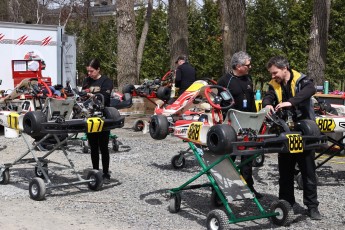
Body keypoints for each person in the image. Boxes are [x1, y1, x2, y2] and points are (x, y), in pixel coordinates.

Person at [262, 55, 321, 220]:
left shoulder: (302, 80)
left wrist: (291, 102)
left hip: (305, 132)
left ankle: (312, 207)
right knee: (285, 172)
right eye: (272, 74)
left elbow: (311, 90)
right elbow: (269, 95)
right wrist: (267, 103)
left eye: (275, 73)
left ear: (284, 68)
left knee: (308, 171)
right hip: (286, 132)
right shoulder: (275, 84)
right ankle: (286, 204)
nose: (273, 76)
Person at [217, 51, 262, 199]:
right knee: (230, 156)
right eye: (247, 65)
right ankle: (221, 189)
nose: (250, 67)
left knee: (247, 157)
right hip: (232, 124)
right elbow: (220, 104)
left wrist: (256, 119)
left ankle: (248, 186)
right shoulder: (224, 81)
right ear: (238, 66)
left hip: (248, 123)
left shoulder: (248, 79)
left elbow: (251, 100)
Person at [82, 58, 113, 184]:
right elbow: (83, 94)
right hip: (90, 115)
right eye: (88, 71)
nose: (89, 74)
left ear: (98, 69)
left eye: (92, 71)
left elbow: (104, 96)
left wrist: (91, 95)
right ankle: (95, 171)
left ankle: (105, 172)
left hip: (103, 115)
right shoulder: (86, 80)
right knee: (93, 146)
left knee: (104, 146)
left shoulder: (106, 81)